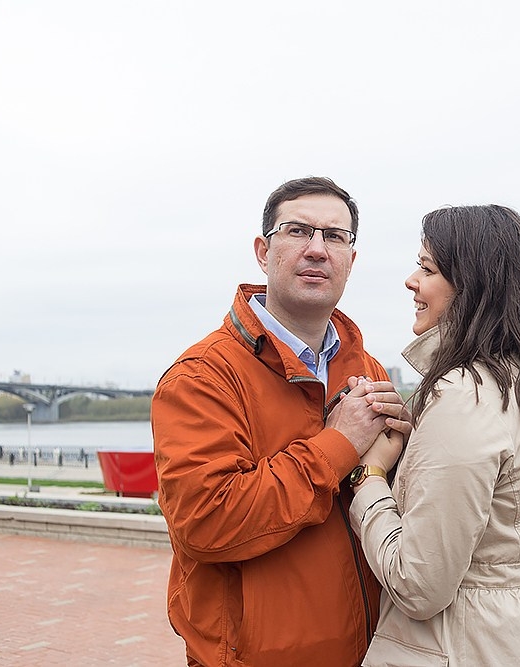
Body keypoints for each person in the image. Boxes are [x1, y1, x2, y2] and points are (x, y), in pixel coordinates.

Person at [152, 176, 411, 667]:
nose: (317, 249)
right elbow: (206, 523)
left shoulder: (367, 370)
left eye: (335, 237)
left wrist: (397, 454)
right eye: (298, 231)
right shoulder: (203, 376)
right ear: (261, 250)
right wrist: (338, 444)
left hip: (374, 652)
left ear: (351, 262)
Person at [348, 205, 520, 666]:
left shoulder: (463, 396)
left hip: (465, 643)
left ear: (471, 287)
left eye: (427, 268)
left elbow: (420, 585)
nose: (411, 280)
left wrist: (368, 477)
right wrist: (417, 440)